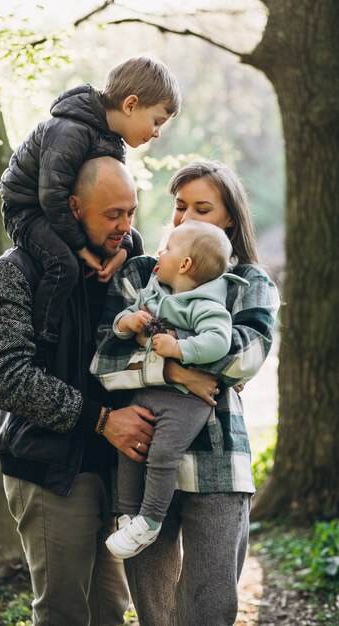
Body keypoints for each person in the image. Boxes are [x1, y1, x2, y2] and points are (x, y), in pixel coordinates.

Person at [90, 159, 281, 626]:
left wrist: (156, 354)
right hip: (141, 451)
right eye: (180, 206)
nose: (186, 217)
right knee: (154, 611)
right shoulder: (140, 276)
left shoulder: (250, 283)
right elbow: (105, 363)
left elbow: (245, 357)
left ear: (230, 217)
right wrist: (177, 373)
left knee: (208, 608)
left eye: (202, 207)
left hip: (218, 463)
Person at [0, 157, 162, 626]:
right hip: (51, 470)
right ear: (73, 208)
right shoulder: (13, 274)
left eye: (131, 213)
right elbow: (3, 376)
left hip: (116, 470)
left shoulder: (130, 272)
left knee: (109, 612)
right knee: (64, 614)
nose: (125, 226)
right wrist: (101, 419)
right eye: (111, 214)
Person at [0, 56, 181, 344]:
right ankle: (44, 335)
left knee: (133, 242)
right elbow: (52, 195)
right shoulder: (69, 130)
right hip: (29, 211)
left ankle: (127, 322)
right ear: (130, 105)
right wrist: (81, 247)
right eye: (156, 121)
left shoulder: (111, 140)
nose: (157, 133)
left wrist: (121, 250)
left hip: (70, 210)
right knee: (64, 264)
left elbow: (109, 206)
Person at [104, 221, 248, 559]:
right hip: (151, 392)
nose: (158, 253)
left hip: (187, 402)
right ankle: (128, 514)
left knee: (162, 454)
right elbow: (125, 318)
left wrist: (180, 349)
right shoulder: (155, 292)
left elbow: (218, 342)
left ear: (185, 265)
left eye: (166, 249)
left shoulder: (207, 304)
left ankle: (151, 519)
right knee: (132, 446)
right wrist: (128, 323)